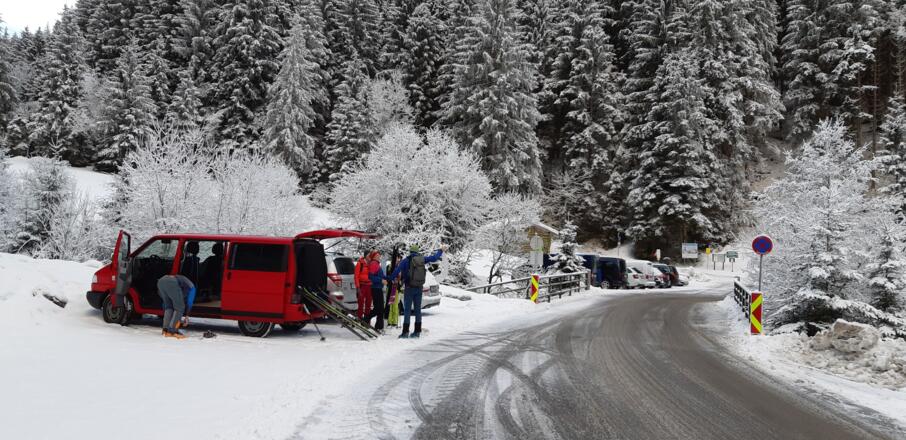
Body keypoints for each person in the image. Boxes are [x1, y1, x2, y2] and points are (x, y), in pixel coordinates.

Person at [389, 244, 445, 338]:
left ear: (410, 251)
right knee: (417, 310)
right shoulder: (422, 259)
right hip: (419, 288)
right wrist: (440, 250)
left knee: (407, 310)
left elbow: (396, 271)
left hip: (409, 288)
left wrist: (389, 278)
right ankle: (417, 331)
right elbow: (434, 258)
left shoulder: (405, 261)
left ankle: (405, 332)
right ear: (417, 252)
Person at [157, 274, 196, 339]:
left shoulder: (182, 285)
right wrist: (187, 316)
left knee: (169, 306)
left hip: (161, 281)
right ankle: (172, 331)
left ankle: (165, 330)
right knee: (180, 308)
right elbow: (189, 302)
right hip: (172, 282)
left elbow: (166, 305)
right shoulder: (192, 288)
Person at [367, 250, 387, 332]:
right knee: (379, 308)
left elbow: (381, 276)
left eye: (379, 255)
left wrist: (388, 279)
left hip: (378, 288)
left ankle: (379, 327)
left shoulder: (377, 264)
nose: (379, 256)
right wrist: (381, 280)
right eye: (378, 255)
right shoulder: (373, 264)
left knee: (380, 308)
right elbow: (370, 277)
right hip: (375, 288)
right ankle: (366, 318)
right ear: (374, 256)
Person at [354, 250, 373, 321]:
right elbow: (356, 276)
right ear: (365, 256)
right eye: (369, 255)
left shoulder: (371, 264)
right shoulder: (360, 264)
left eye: (370, 255)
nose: (370, 257)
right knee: (361, 303)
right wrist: (358, 287)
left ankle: (367, 319)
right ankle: (359, 318)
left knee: (368, 303)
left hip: (369, 286)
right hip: (362, 285)